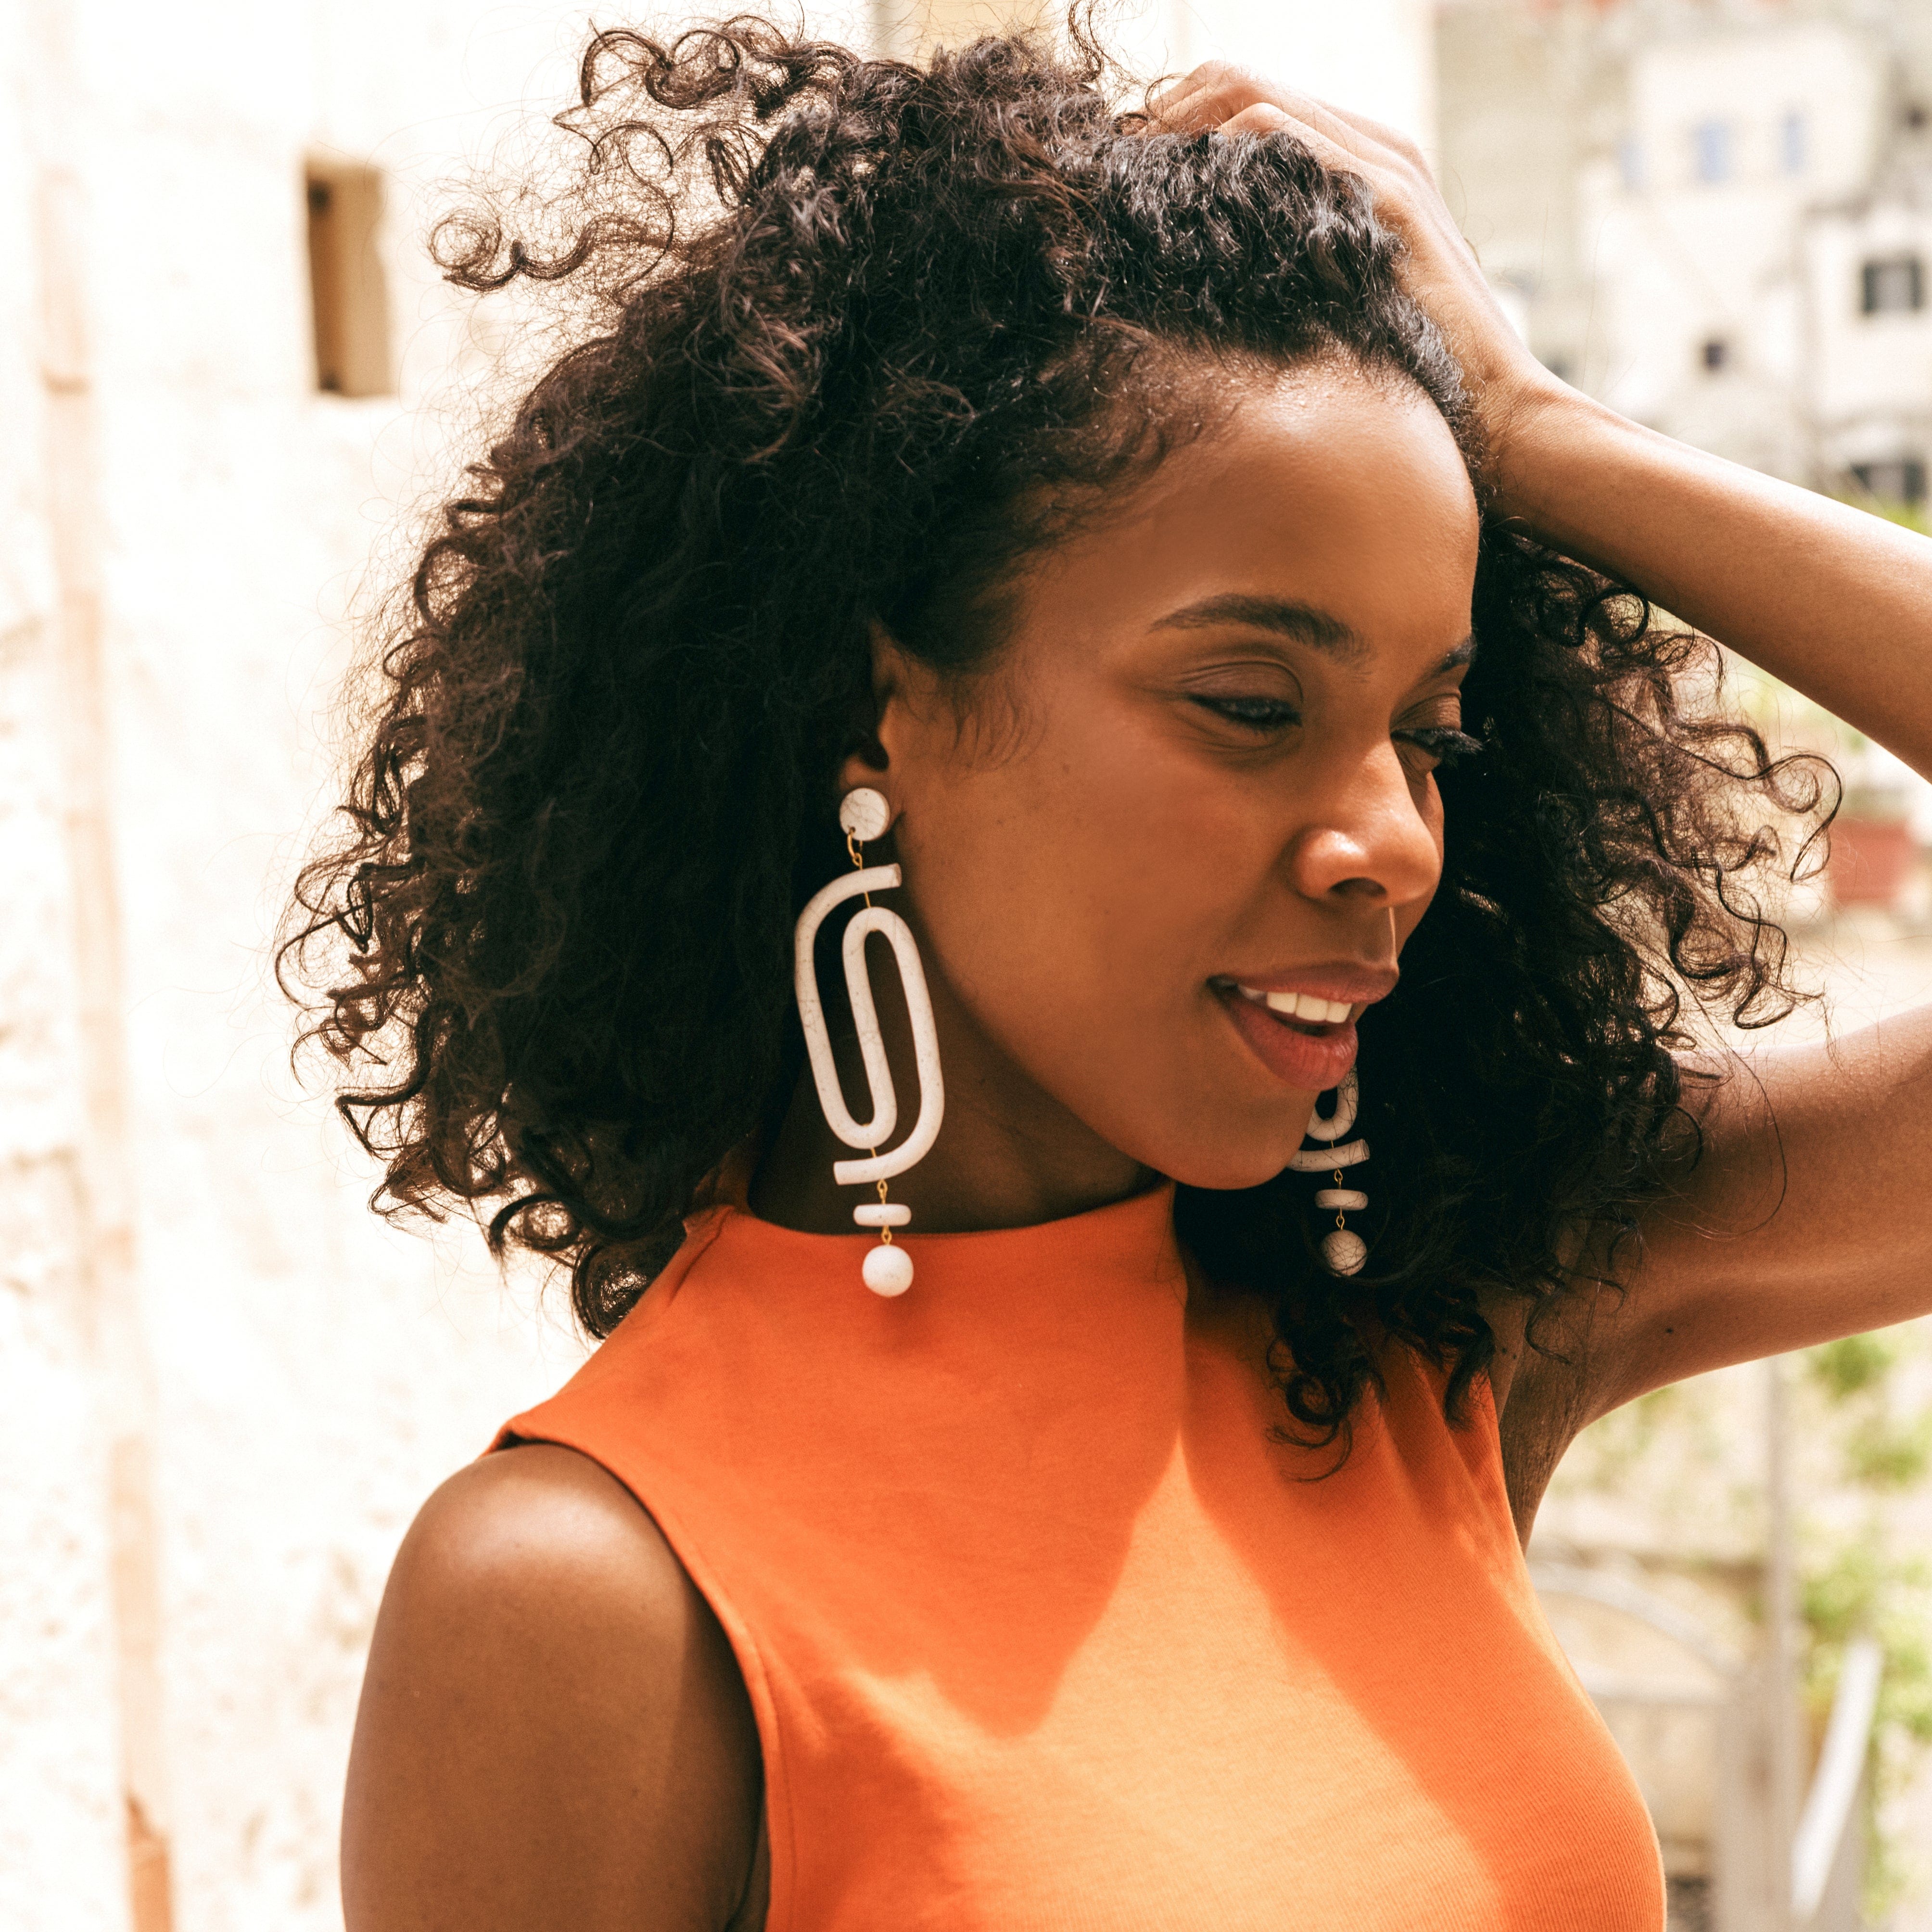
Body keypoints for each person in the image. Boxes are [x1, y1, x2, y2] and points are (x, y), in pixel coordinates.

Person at [291, 15, 1932, 1930]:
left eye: (1427, 728)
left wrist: (1548, 437)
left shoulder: (1418, 1334)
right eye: (1249, 700)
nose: (1393, 836)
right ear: (871, 709)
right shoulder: (597, 1596)